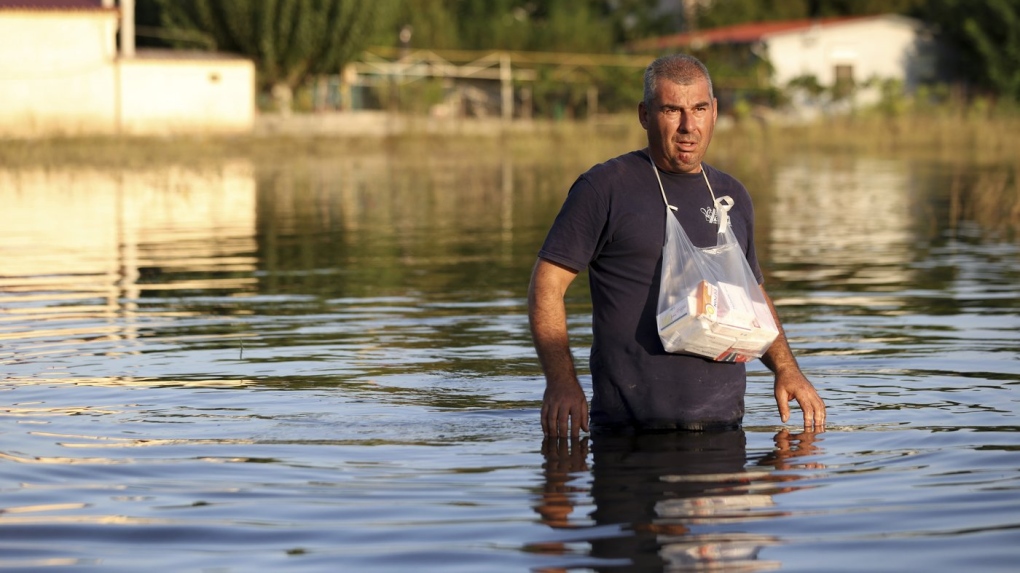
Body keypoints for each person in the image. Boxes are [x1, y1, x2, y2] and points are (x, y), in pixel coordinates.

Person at [528, 53, 826, 437]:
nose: (689, 126)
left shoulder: (731, 193)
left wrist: (787, 370)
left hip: (725, 432)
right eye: (672, 110)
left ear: (715, 112)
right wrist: (562, 382)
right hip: (630, 434)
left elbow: (752, 294)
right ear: (644, 115)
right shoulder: (604, 188)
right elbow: (547, 286)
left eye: (699, 108)